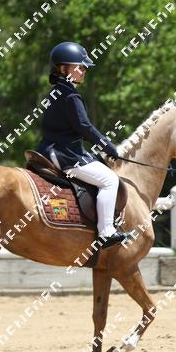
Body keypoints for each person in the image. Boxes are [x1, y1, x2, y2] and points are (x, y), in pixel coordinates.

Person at [37, 41, 135, 248]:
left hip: (48, 149)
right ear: (64, 68)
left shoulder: (56, 92)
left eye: (84, 68)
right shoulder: (71, 95)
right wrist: (108, 146)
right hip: (65, 154)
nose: (84, 71)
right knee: (110, 180)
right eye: (80, 67)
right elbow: (84, 127)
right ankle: (106, 232)